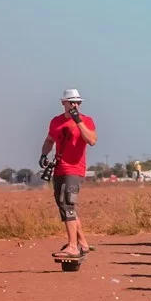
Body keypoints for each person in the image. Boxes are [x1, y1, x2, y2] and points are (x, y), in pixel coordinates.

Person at [40, 89, 97, 256]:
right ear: (63, 103)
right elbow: (50, 140)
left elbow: (92, 140)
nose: (75, 105)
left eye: (78, 102)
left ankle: (73, 246)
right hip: (59, 167)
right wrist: (44, 154)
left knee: (68, 204)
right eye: (71, 102)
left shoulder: (86, 120)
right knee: (63, 205)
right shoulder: (56, 121)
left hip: (75, 169)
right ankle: (83, 243)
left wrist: (78, 120)